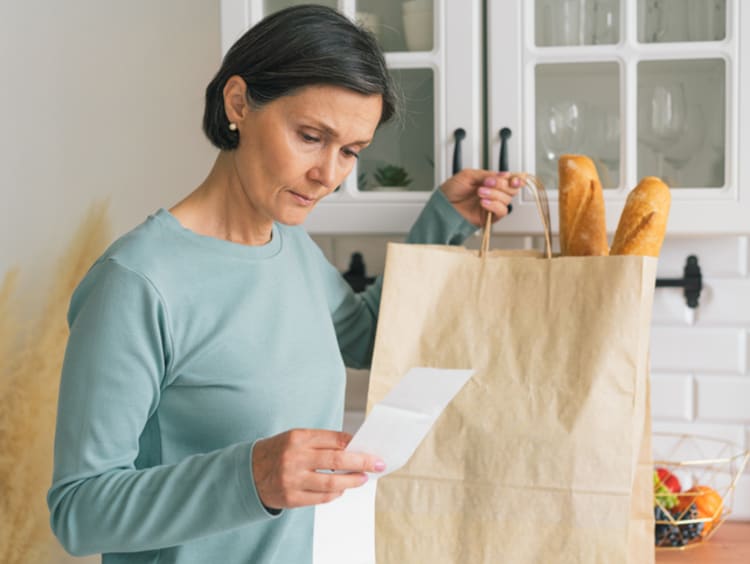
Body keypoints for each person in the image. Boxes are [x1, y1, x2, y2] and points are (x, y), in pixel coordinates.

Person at [47, 5, 521, 563]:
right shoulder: (137, 283)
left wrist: (444, 220)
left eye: (349, 151)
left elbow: (364, 337)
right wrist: (252, 475)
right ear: (238, 103)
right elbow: (78, 512)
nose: (329, 175)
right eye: (310, 136)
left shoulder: (289, 246)